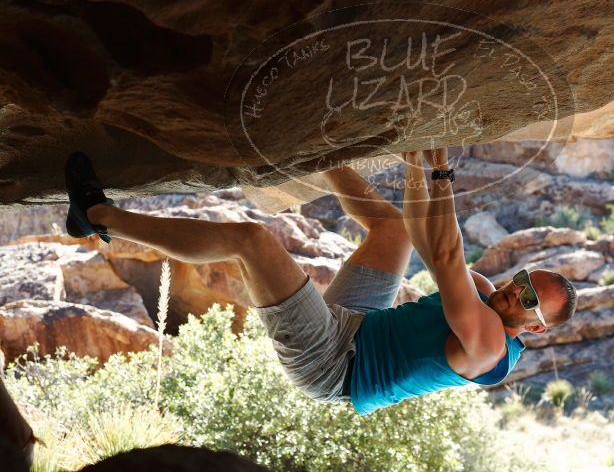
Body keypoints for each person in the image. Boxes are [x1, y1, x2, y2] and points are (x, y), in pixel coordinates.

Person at [64, 149, 576, 415]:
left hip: (334, 366)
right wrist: (418, 162)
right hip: (361, 323)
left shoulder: (488, 347)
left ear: (535, 329)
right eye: (525, 278)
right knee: (392, 230)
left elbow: (445, 253)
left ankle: (97, 215)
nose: (517, 289)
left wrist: (439, 172)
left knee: (253, 241)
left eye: (529, 298)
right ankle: (319, 155)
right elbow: (424, 235)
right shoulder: (487, 291)